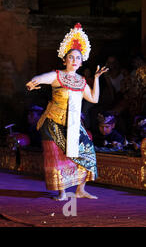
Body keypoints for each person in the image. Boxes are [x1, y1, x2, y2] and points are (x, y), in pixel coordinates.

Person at [26, 23, 108, 201]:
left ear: (81, 61)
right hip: (54, 122)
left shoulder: (81, 80)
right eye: (71, 57)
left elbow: (94, 99)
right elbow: (40, 78)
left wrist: (96, 79)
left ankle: (80, 190)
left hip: (73, 124)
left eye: (77, 57)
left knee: (87, 152)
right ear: (65, 60)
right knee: (58, 156)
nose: (74, 60)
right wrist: (33, 81)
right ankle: (62, 192)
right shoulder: (57, 76)